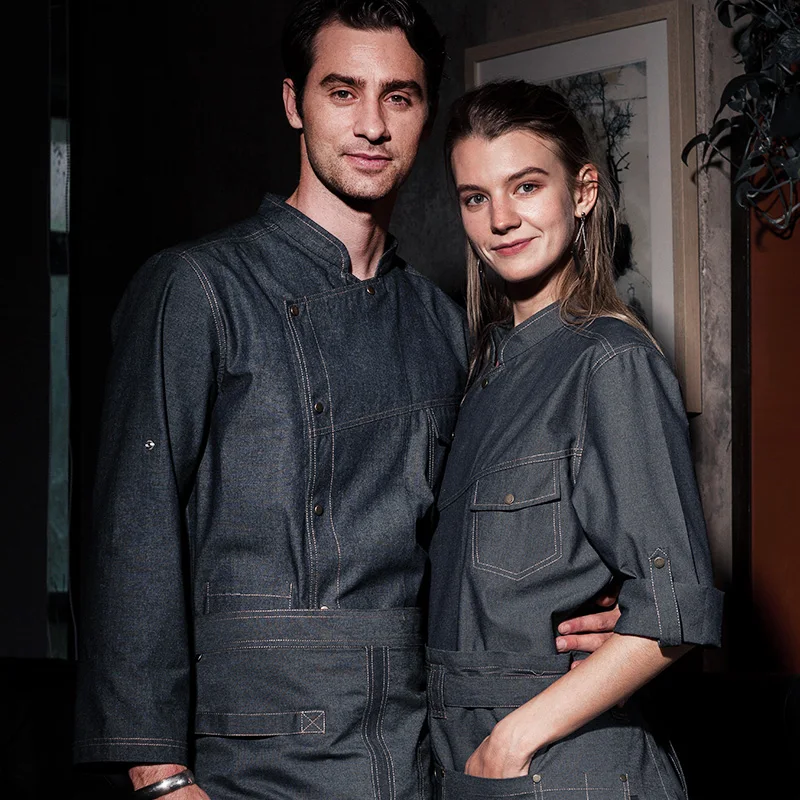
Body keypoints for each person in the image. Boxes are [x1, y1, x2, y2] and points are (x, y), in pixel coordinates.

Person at [73, 6, 619, 800]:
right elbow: (134, 531)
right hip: (245, 760)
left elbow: (478, 534)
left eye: (399, 97)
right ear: (294, 103)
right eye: (342, 92)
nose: (371, 125)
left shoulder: (445, 325)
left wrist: (591, 604)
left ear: (425, 113)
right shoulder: (198, 289)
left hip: (417, 749)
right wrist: (159, 776)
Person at [425, 80, 724, 799]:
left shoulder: (610, 360)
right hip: (467, 755)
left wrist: (512, 741)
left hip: (560, 763)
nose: (501, 218)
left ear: (583, 191)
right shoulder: (484, 370)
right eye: (475, 197)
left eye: (526, 186)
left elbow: (676, 609)